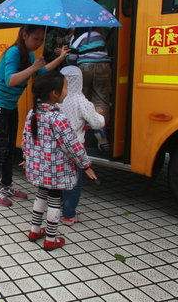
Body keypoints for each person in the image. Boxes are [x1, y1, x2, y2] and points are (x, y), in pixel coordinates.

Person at [0, 24, 69, 206]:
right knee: (0, 148)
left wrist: (60, 57)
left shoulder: (29, 54)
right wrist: (33, 68)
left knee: (8, 148)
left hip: (10, 107)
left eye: (41, 40)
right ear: (24, 35)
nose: (38, 43)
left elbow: (42, 72)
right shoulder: (14, 52)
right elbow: (10, 80)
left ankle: (6, 185)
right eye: (35, 39)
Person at [23, 70, 95, 251]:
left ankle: (34, 230)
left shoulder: (32, 113)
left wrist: (26, 158)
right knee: (55, 200)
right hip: (56, 171)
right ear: (54, 93)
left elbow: (26, 139)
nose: (66, 92)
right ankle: (50, 238)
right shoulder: (58, 118)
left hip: (39, 168)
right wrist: (85, 165)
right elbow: (72, 145)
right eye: (64, 89)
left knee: (41, 195)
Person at [58, 66, 103, 225]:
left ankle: (59, 204)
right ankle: (69, 215)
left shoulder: (57, 98)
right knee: (74, 181)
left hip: (58, 147)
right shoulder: (81, 100)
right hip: (75, 148)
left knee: (60, 177)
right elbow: (97, 123)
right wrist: (99, 113)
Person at [68, 24, 112, 152]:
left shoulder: (78, 37)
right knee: (101, 98)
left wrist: (64, 55)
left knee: (82, 98)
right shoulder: (100, 36)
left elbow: (72, 59)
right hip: (104, 66)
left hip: (85, 67)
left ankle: (82, 128)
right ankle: (101, 129)